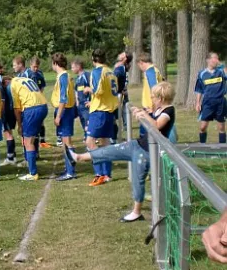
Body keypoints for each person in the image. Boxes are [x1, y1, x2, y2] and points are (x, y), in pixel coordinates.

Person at [65, 82, 176, 222]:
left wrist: (144, 115)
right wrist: (144, 111)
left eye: (153, 97)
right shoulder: (160, 108)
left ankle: (136, 212)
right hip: (138, 144)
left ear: (161, 98)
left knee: (137, 181)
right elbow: (154, 116)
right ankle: (78, 157)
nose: (152, 99)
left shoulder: (169, 111)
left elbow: (157, 125)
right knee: (109, 151)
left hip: (146, 153)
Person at [82, 48, 119, 186]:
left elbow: (98, 90)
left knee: (90, 142)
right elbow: (111, 92)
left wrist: (88, 89)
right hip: (109, 111)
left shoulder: (97, 71)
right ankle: (107, 174)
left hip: (99, 112)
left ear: (93, 59)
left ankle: (99, 174)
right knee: (105, 143)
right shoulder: (110, 72)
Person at [4, 75, 48, 181]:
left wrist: (20, 125)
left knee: (28, 141)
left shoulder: (13, 85)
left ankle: (33, 173)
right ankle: (30, 162)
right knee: (31, 137)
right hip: (43, 106)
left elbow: (17, 109)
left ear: (6, 82)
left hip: (32, 109)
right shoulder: (25, 79)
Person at [50, 53, 77, 182]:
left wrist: (58, 116)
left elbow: (63, 98)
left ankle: (71, 171)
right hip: (67, 110)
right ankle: (69, 168)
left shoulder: (63, 77)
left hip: (64, 112)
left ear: (55, 64)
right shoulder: (66, 76)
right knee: (65, 141)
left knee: (66, 142)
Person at [194, 52, 227, 144]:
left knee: (221, 127)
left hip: (220, 101)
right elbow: (199, 89)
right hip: (208, 102)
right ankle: (202, 145)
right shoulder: (202, 74)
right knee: (203, 127)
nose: (216, 60)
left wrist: (223, 66)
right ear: (208, 60)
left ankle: (222, 148)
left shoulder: (221, 71)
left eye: (217, 58)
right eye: (214, 58)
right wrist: (198, 103)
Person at [0, 63, 17, 166]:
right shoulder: (2, 80)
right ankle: (13, 155)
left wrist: (1, 113)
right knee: (8, 133)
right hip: (9, 109)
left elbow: (3, 99)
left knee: (8, 134)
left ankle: (11, 157)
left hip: (6, 111)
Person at [137, 52, 163, 136]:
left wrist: (154, 108)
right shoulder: (155, 70)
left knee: (146, 136)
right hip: (150, 108)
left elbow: (155, 90)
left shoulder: (150, 72)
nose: (140, 68)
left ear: (141, 62)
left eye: (139, 66)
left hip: (150, 109)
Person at [29, 56, 50, 148]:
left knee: (41, 121)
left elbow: (42, 87)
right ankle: (30, 140)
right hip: (30, 102)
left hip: (39, 101)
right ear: (30, 65)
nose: (36, 68)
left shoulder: (40, 74)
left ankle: (42, 141)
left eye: (37, 66)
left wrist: (40, 95)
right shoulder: (27, 74)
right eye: (34, 67)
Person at [113, 51, 133, 142]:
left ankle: (114, 137)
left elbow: (113, 80)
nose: (119, 54)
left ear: (125, 58)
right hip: (119, 94)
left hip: (116, 95)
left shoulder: (120, 69)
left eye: (122, 54)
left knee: (113, 116)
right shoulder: (120, 67)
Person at [71, 58, 90, 143]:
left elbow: (92, 88)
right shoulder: (78, 78)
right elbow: (76, 90)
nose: (72, 69)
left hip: (86, 104)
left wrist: (91, 101)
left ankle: (90, 136)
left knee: (87, 120)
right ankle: (86, 135)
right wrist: (77, 102)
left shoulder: (87, 76)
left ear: (78, 67)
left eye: (73, 67)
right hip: (80, 105)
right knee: (82, 121)